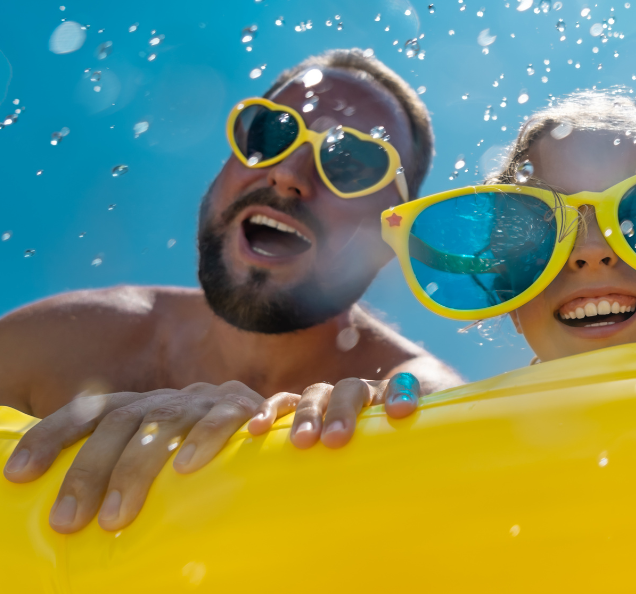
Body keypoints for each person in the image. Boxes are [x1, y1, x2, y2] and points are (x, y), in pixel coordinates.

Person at [1, 48, 461, 533]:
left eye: (350, 163)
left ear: (391, 235)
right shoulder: (61, 342)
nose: (288, 174)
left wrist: (395, 416)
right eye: (271, 134)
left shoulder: (407, 392)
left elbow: (448, 423)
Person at [236, 89, 636, 444]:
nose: (591, 251)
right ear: (512, 300)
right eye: (542, 237)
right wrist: (372, 428)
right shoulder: (464, 440)